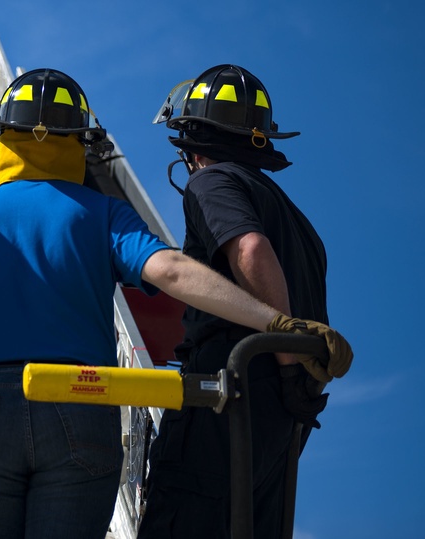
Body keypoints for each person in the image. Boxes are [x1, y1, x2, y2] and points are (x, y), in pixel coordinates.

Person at [0, 68, 352, 539]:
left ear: (2, 135)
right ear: (81, 141)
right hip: (80, 400)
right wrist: (279, 326)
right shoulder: (103, 213)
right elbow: (172, 272)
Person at [138, 64, 339, 538]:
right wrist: (294, 380)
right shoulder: (300, 225)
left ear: (192, 142)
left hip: (230, 391)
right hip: (283, 416)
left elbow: (248, 249)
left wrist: (285, 360)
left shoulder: (211, 181)